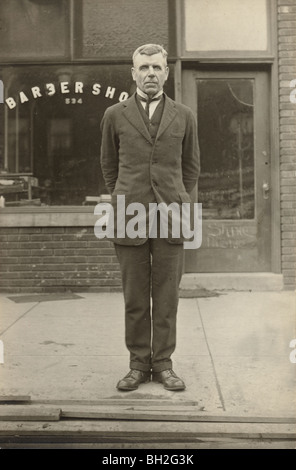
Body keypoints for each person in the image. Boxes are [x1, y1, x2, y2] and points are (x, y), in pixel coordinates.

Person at [100, 44, 200, 391]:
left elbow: (191, 169)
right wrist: (123, 198)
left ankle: (164, 364)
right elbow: (109, 167)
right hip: (129, 213)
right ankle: (138, 365)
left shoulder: (184, 115)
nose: (151, 74)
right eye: (144, 68)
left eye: (157, 67)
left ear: (167, 73)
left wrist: (178, 201)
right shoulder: (115, 114)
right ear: (133, 73)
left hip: (171, 213)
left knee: (167, 296)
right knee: (136, 296)